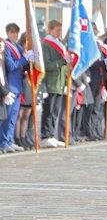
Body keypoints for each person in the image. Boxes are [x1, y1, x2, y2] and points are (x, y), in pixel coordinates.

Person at [40, 20, 69, 148]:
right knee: (49, 110)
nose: (59, 33)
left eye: (60, 30)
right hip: (51, 82)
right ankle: (45, 135)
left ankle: (51, 134)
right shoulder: (46, 45)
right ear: (50, 29)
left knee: (56, 111)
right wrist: (62, 61)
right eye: (57, 30)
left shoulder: (60, 44)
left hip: (60, 82)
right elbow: (47, 65)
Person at [0, 23, 28, 153]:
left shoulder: (17, 46)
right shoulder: (6, 46)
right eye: (12, 32)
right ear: (7, 33)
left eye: (16, 32)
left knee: (13, 117)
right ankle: (4, 141)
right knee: (7, 116)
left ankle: (9, 140)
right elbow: (11, 66)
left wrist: (29, 60)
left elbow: (22, 65)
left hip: (18, 85)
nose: (15, 35)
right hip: (10, 84)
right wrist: (24, 59)